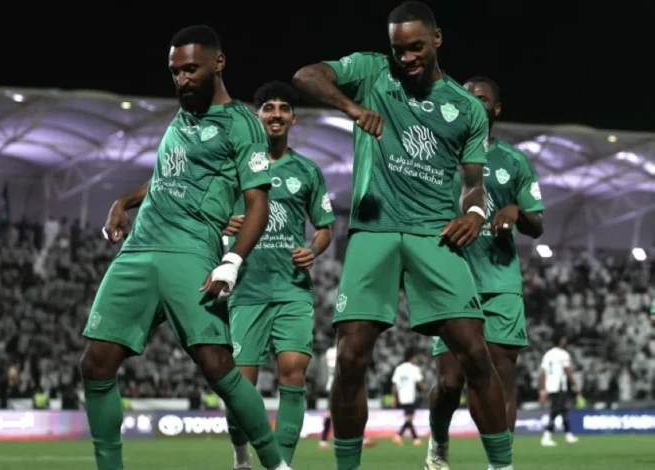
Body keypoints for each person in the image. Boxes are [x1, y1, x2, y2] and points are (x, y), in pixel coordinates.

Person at [292, 2, 514, 469]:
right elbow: (306, 76)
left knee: (475, 354)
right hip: (373, 231)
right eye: (399, 49)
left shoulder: (465, 107)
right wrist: (352, 108)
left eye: (416, 47)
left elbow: (473, 182)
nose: (407, 58)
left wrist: (475, 213)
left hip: (435, 234)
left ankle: (502, 465)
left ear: (437, 39)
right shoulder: (372, 71)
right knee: (350, 358)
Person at [79, 25, 292, 470]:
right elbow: (165, 177)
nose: (182, 79)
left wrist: (232, 261)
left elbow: (259, 204)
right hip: (137, 251)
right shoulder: (181, 119)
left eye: (191, 69)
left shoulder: (242, 126)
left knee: (217, 366)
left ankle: (276, 465)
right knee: (95, 364)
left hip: (190, 250)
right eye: (175, 71)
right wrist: (123, 202)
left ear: (219, 63)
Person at [427, 76, 545, 466]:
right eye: (467, 97)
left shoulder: (514, 161)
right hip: (451, 281)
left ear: (496, 109)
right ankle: (438, 442)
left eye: (481, 99)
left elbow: (537, 225)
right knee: (449, 383)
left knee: (501, 379)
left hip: (500, 281)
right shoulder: (437, 154)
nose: (473, 103)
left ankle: (501, 464)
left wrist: (516, 211)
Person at [222, 81, 335, 468]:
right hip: (246, 289)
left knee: (293, 375)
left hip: (292, 289)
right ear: (257, 116)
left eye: (284, 108)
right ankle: (241, 458)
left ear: (293, 118)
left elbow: (325, 227)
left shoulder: (307, 170)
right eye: (268, 107)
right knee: (240, 387)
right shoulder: (234, 167)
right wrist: (222, 222)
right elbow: (207, 212)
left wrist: (313, 250)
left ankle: (282, 463)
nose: (276, 114)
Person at [318, 345, 376, 450]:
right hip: (336, 385)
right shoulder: (334, 351)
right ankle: (323, 440)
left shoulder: (339, 350)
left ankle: (362, 438)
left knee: (352, 411)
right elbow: (336, 368)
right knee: (331, 414)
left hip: (343, 385)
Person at [539, 333, 581, 446]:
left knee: (562, 410)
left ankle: (568, 435)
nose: (565, 341)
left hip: (550, 386)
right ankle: (547, 436)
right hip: (559, 386)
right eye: (563, 339)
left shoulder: (548, 354)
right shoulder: (563, 354)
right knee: (556, 410)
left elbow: (542, 373)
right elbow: (567, 371)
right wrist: (575, 385)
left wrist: (542, 389)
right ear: (559, 340)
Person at [392, 349, 424, 447]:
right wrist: (425, 391)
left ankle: (415, 438)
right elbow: (419, 383)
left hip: (401, 397)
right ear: (412, 357)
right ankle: (399, 435)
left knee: (409, 418)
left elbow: (394, 385)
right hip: (410, 396)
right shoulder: (414, 368)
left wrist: (394, 397)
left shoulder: (399, 368)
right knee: (409, 418)